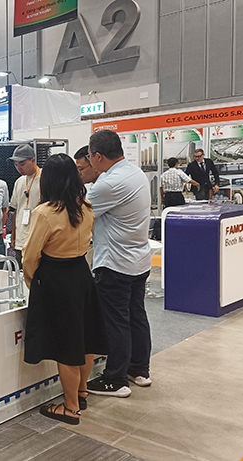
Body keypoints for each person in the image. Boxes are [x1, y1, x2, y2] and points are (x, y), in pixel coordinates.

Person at [22, 153, 107, 425]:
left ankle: (71, 408)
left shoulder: (45, 213)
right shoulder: (86, 206)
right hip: (81, 274)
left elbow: (30, 256)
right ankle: (81, 392)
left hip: (56, 279)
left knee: (66, 346)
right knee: (85, 338)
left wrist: (32, 282)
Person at [85, 129, 153, 398]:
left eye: (89, 158)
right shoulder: (135, 172)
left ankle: (115, 379)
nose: (88, 163)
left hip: (115, 263)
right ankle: (139, 370)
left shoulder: (109, 184)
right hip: (138, 260)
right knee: (136, 316)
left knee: (116, 322)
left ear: (98, 156)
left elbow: (80, 213)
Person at [8, 144, 41, 266]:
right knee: (20, 274)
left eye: (22, 164)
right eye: (16, 164)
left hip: (38, 239)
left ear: (33, 160)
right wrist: (13, 237)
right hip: (20, 241)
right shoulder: (19, 181)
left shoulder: (44, 178)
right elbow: (16, 210)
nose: (19, 168)